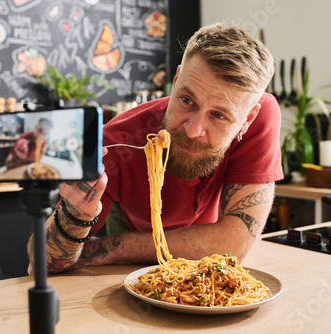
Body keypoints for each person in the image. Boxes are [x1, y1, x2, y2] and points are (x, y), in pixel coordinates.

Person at [28, 23, 283, 275]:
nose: (193, 129)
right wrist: (75, 213)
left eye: (218, 115)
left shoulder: (260, 118)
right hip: (134, 233)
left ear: (247, 119)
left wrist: (118, 247)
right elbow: (43, 263)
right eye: (186, 100)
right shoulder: (115, 143)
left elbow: (232, 243)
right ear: (176, 80)